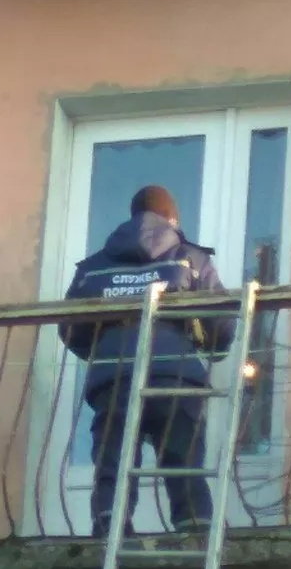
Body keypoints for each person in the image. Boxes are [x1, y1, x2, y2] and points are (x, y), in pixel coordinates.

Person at [58, 185, 236, 538]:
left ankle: (109, 526)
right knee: (182, 457)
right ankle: (195, 528)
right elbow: (222, 323)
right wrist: (214, 347)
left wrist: (99, 351)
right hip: (177, 374)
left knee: (114, 457)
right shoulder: (190, 258)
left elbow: (70, 328)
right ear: (172, 220)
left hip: (115, 376)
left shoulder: (93, 267)